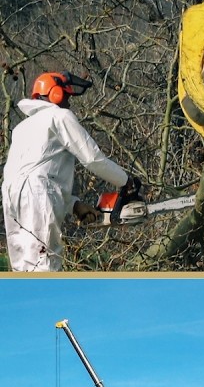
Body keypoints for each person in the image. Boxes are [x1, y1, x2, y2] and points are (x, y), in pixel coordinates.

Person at [2, 71, 136, 271]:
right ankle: (48, 301)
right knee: (43, 262)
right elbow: (92, 159)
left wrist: (74, 205)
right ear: (56, 94)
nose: (69, 103)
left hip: (10, 195)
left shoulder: (22, 128)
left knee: (22, 265)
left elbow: (38, 175)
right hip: (35, 194)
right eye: (67, 96)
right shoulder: (59, 116)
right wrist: (126, 181)